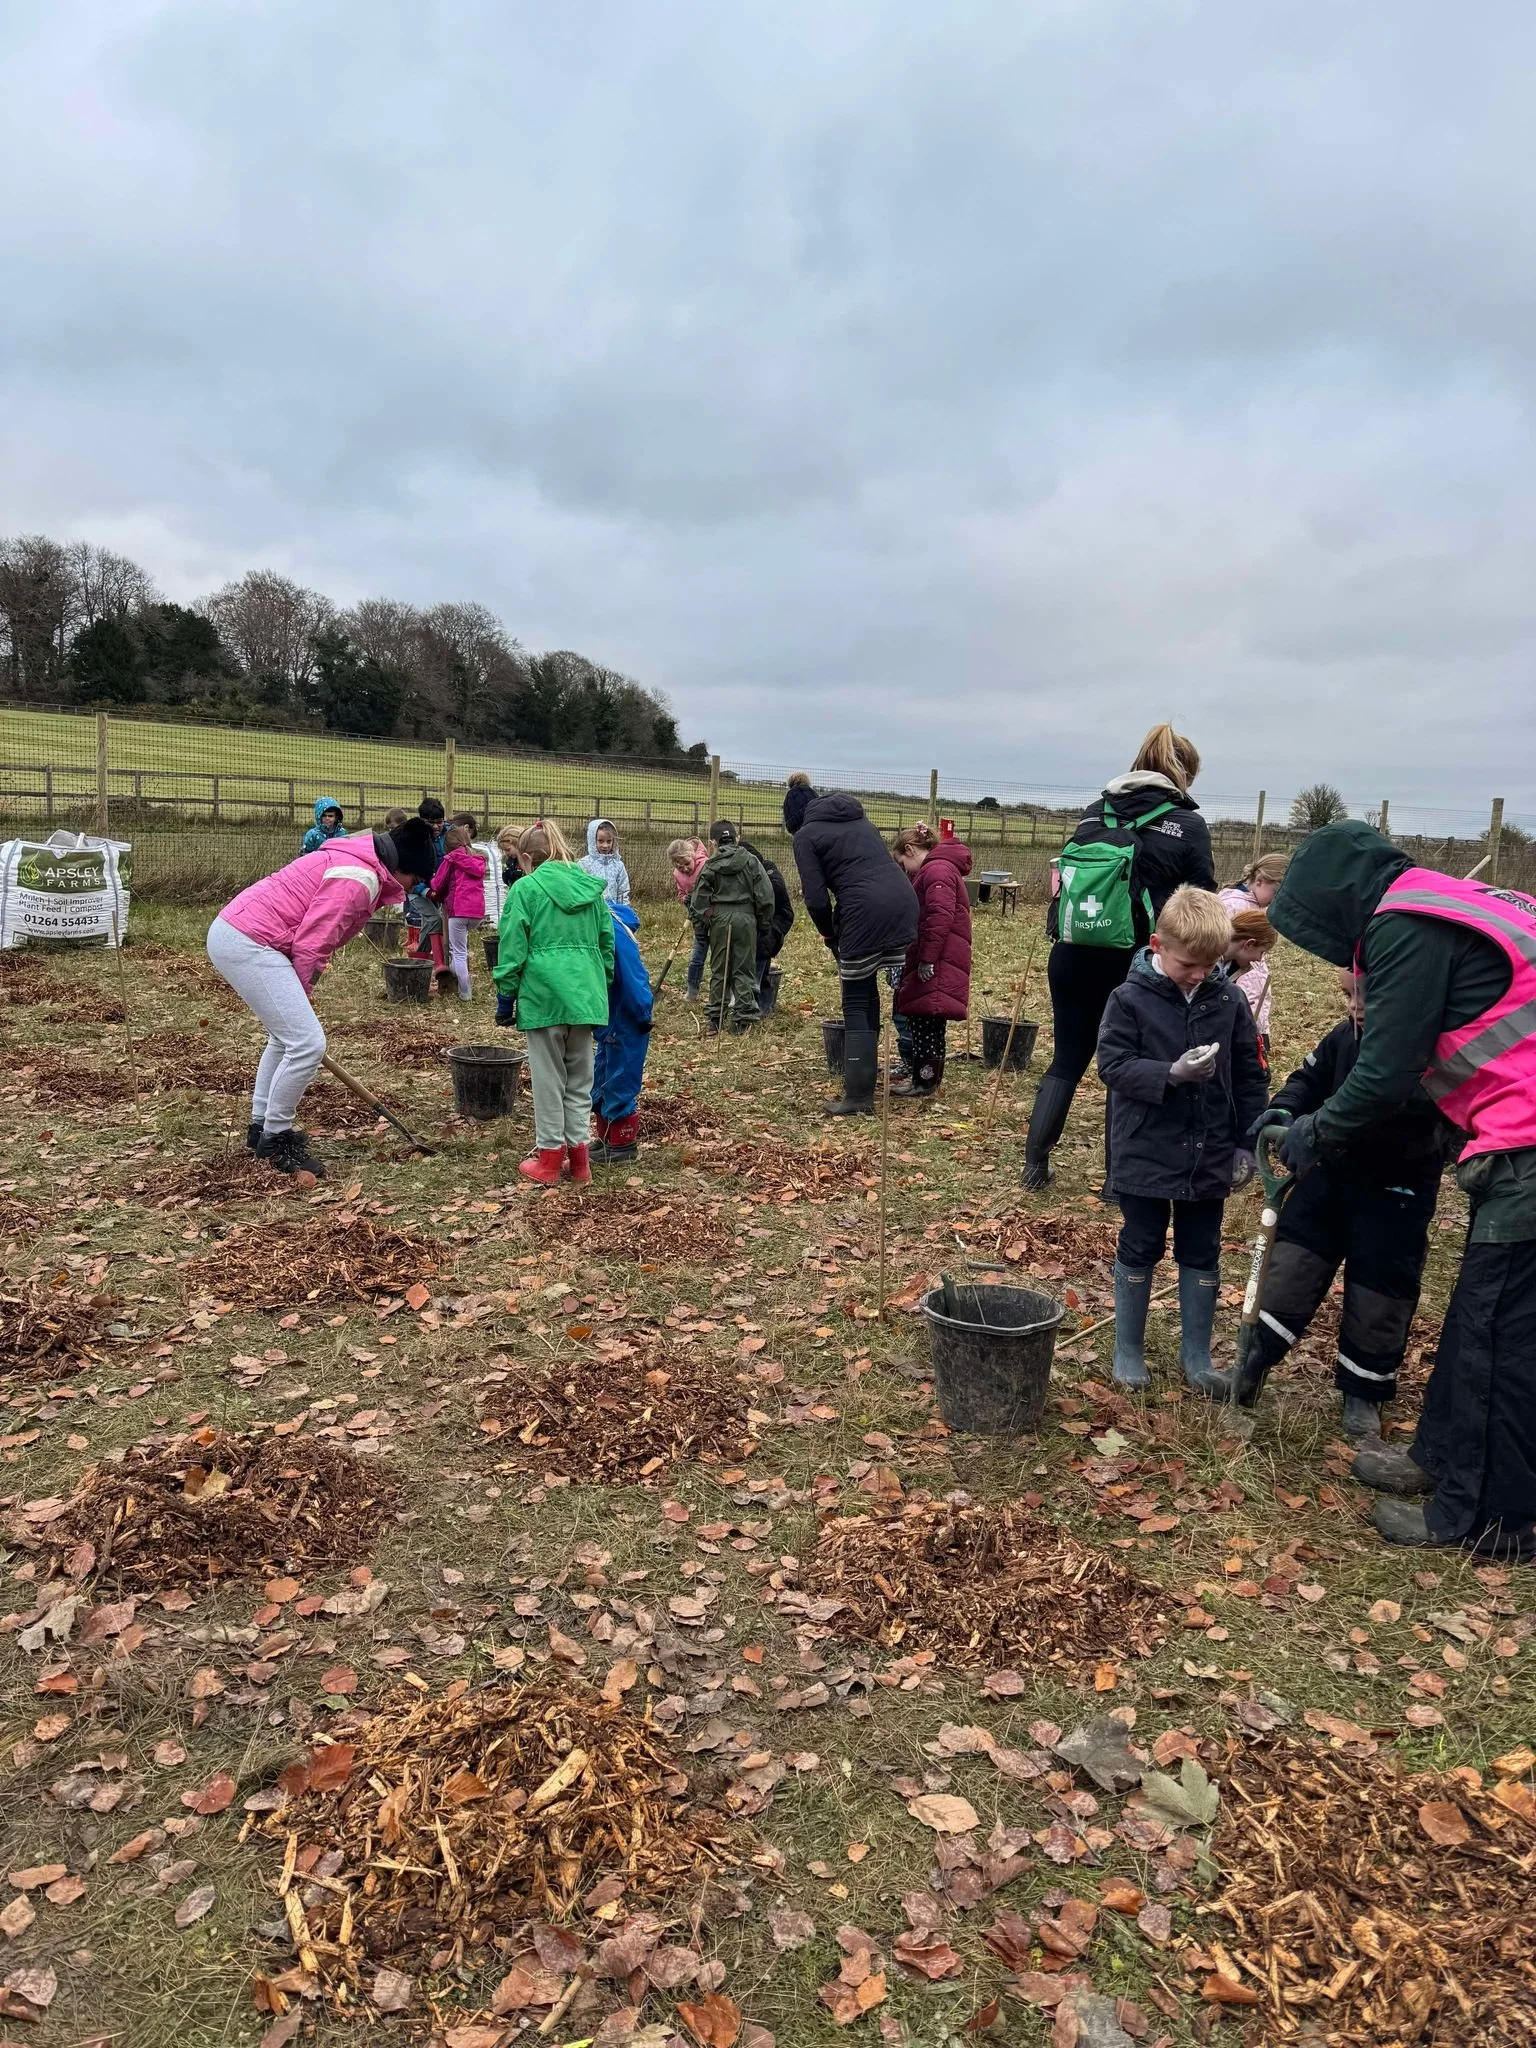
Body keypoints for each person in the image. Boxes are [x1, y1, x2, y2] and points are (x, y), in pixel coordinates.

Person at [1268, 820, 1536, 1559]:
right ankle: (1440, 1459)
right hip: (1509, 1137)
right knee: (1477, 1314)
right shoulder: (1454, 901)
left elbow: (1385, 1074)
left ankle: (1489, 1516)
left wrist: (1312, 1131)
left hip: (1530, 1145)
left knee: (1500, 1334)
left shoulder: (1406, 924)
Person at [1208, 968, 1455, 1440]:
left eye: (1368, 996)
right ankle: (1254, 1361)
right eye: (1348, 994)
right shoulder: (1346, 1037)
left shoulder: (1435, 1057)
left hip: (1397, 1192)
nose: (1355, 1006)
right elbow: (1309, 1077)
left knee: (1381, 1291)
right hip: (1328, 1176)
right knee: (1292, 1263)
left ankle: (1363, 1392)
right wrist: (1285, 1108)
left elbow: (1450, 1122)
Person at [1024, 724, 1215, 1192]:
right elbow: (1202, 897)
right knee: (1131, 1066)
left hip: (1071, 953)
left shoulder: (1095, 812)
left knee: (1068, 1056)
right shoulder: (1188, 823)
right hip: (1138, 960)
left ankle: (1034, 1165)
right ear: (1183, 774)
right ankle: (1118, 1180)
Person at [1097, 885, 1267, 1392]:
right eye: (1189, 963)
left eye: (1209, 964)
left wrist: (1247, 1141)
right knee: (1142, 1241)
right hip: (1145, 1146)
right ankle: (1128, 1348)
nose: (1199, 974)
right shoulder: (1127, 999)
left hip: (1208, 1147)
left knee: (1202, 1247)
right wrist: (1168, 1073)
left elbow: (1250, 1072)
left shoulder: (1229, 999)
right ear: (1156, 945)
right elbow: (1113, 1065)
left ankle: (1196, 1356)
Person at [206, 817, 436, 1179]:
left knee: (286, 1039)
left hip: (240, 933)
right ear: (401, 867)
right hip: (250, 940)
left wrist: (298, 995)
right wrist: (302, 991)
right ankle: (276, 1139)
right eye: (416, 879)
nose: (412, 888)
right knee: (307, 1044)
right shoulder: (357, 878)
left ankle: (260, 1128)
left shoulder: (357, 861)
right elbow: (313, 941)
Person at [492, 822, 613, 1186]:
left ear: (527, 858)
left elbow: (512, 947)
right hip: (585, 998)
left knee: (549, 1081)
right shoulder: (591, 890)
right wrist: (596, 986)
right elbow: (606, 945)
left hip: (544, 998)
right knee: (579, 1081)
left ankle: (547, 1160)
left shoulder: (525, 890)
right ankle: (580, 1163)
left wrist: (505, 996)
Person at [789, 791, 919, 1115]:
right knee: (869, 990)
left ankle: (859, 1098)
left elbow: (816, 898)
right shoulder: (861, 821)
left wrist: (828, 932)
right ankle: (866, 1078)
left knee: (856, 998)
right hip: (903, 902)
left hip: (864, 912)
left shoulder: (805, 836)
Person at [889, 824, 973, 1098]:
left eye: (903, 863)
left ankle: (923, 1081)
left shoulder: (936, 871)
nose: (906, 871)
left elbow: (938, 915)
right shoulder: (940, 869)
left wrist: (926, 959)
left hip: (935, 960)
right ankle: (928, 1079)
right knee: (930, 1022)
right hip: (940, 957)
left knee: (924, 1022)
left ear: (910, 850)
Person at [690, 820, 773, 1034]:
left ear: (713, 842)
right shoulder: (751, 861)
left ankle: (715, 1020)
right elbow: (765, 895)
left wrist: (702, 927)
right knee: (744, 969)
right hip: (746, 919)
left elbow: (698, 899)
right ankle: (742, 1020)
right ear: (737, 838)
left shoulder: (710, 864)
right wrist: (763, 923)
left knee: (720, 969)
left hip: (719, 919)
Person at [591, 902, 654, 1164]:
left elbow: (633, 977)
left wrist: (642, 1013)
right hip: (608, 1019)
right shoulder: (600, 926)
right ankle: (605, 1136)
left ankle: (623, 1144)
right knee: (603, 1073)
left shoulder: (614, 933)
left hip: (626, 1018)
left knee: (621, 1076)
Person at [1219, 855, 1288, 1054]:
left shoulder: (1254, 905)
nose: (1276, 901)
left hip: (1251, 999)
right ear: (1259, 881)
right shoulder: (1235, 906)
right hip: (1242, 1000)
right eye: (1275, 893)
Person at [738, 831, 796, 1017]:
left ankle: (761, 1008)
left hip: (775, 923)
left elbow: (773, 896)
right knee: (757, 964)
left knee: (760, 953)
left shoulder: (768, 872)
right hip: (759, 924)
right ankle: (759, 1004)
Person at [430, 822, 489, 1001]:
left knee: (459, 952)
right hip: (477, 913)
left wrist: (433, 886)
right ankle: (457, 983)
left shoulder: (450, 860)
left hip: (458, 910)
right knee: (460, 948)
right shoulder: (479, 859)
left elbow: (438, 883)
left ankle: (465, 993)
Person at [1221, 907, 1279, 1055]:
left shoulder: (1231, 967)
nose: (1259, 959)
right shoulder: (1204, 966)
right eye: (1262, 952)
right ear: (1249, 944)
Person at [668, 837, 710, 1002]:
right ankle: (692, 991)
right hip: (698, 921)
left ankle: (721, 991)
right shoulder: (677, 874)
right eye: (680, 866)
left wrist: (700, 896)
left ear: (693, 856)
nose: (685, 868)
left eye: (687, 863)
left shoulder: (705, 866)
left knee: (718, 959)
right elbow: (681, 893)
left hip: (713, 918)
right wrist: (685, 899)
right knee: (696, 958)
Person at [580, 818, 631, 907]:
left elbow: (623, 890)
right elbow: (580, 888)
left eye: (609, 841)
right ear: (593, 840)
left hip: (613, 910)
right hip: (592, 910)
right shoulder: (585, 864)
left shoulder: (618, 865)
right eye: (600, 841)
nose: (605, 845)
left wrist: (624, 909)